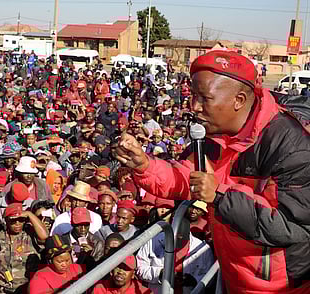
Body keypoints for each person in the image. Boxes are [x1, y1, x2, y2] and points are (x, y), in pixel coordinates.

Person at [115, 50, 310, 293]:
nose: (193, 107)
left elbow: (290, 226)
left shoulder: (292, 146)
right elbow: (188, 178)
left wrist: (220, 196)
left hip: (282, 287)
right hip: (232, 276)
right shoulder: (208, 134)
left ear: (238, 100)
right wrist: (145, 166)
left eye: (204, 98)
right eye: (192, 96)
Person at [136, 218, 214, 294]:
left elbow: (210, 277)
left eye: (181, 241)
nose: (177, 244)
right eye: (174, 240)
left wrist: (194, 281)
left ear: (188, 235)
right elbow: (139, 268)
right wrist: (160, 274)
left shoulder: (203, 249)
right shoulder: (152, 241)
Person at [0, 203, 48, 294]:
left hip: (28, 288)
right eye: (13, 220)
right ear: (6, 220)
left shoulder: (30, 234)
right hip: (4, 289)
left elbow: (44, 237)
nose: (17, 223)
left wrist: (29, 214)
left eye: (21, 220)